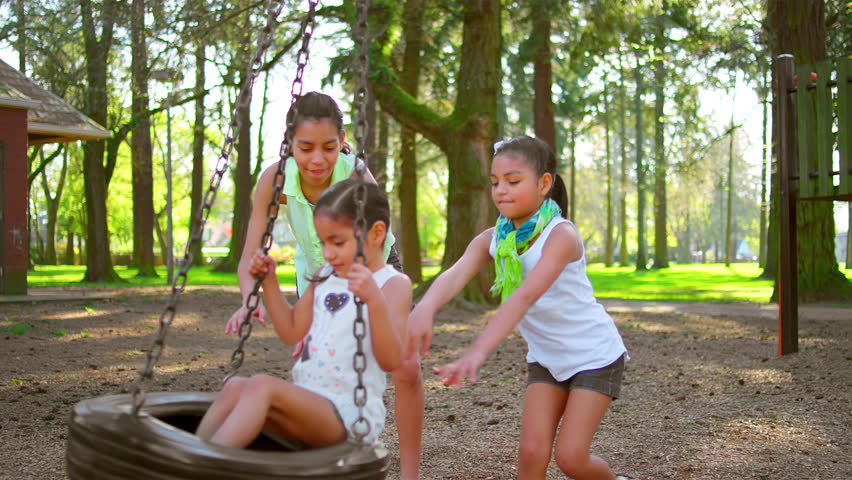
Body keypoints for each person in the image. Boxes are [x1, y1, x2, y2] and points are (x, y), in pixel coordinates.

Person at [224, 92, 423, 477]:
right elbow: (250, 255)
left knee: (406, 367)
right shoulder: (275, 178)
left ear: (342, 140)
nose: (318, 159)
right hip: (317, 271)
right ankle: (317, 456)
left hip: (370, 262)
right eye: (305, 147)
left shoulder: (354, 172)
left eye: (329, 147)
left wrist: (372, 297)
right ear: (289, 145)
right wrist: (252, 300)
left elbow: (375, 233)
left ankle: (410, 472)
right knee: (317, 355)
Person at [408, 136, 628, 480]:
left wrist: (476, 352)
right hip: (547, 357)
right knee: (530, 454)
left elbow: (523, 297)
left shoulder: (561, 236)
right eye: (495, 182)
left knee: (571, 458)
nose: (501, 190)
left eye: (513, 181)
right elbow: (455, 274)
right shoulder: (496, 239)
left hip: (594, 356)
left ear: (544, 184)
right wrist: (425, 307)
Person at [197, 178, 412, 448]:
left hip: (349, 414)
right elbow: (291, 331)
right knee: (235, 387)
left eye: (338, 242)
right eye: (323, 243)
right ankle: (192, 458)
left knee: (261, 386)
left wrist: (374, 301)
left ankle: (208, 465)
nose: (328, 253)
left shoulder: (392, 285)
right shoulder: (325, 275)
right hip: (308, 399)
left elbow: (392, 360)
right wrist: (270, 283)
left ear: (376, 233)